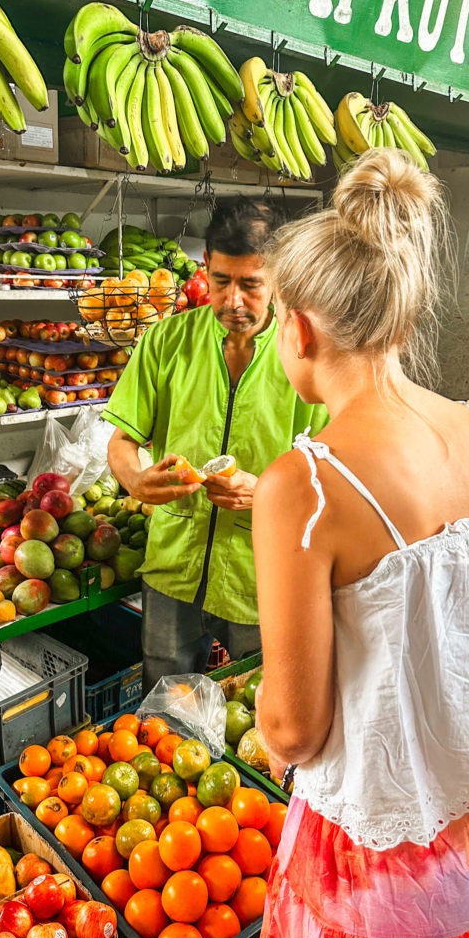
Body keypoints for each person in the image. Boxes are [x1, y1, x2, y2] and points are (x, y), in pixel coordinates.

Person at [247, 149, 469, 938]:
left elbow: (293, 732)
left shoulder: (305, 484)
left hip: (372, 850)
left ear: (297, 326)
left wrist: (259, 704)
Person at [102, 197, 328, 693]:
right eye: (221, 281)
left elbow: (332, 472)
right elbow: (122, 440)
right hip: (172, 565)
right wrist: (137, 480)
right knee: (166, 703)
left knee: (257, 705)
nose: (232, 301)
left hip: (261, 572)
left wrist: (265, 490)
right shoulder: (167, 341)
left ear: (281, 280)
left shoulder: (307, 353)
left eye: (251, 285)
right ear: (205, 266)